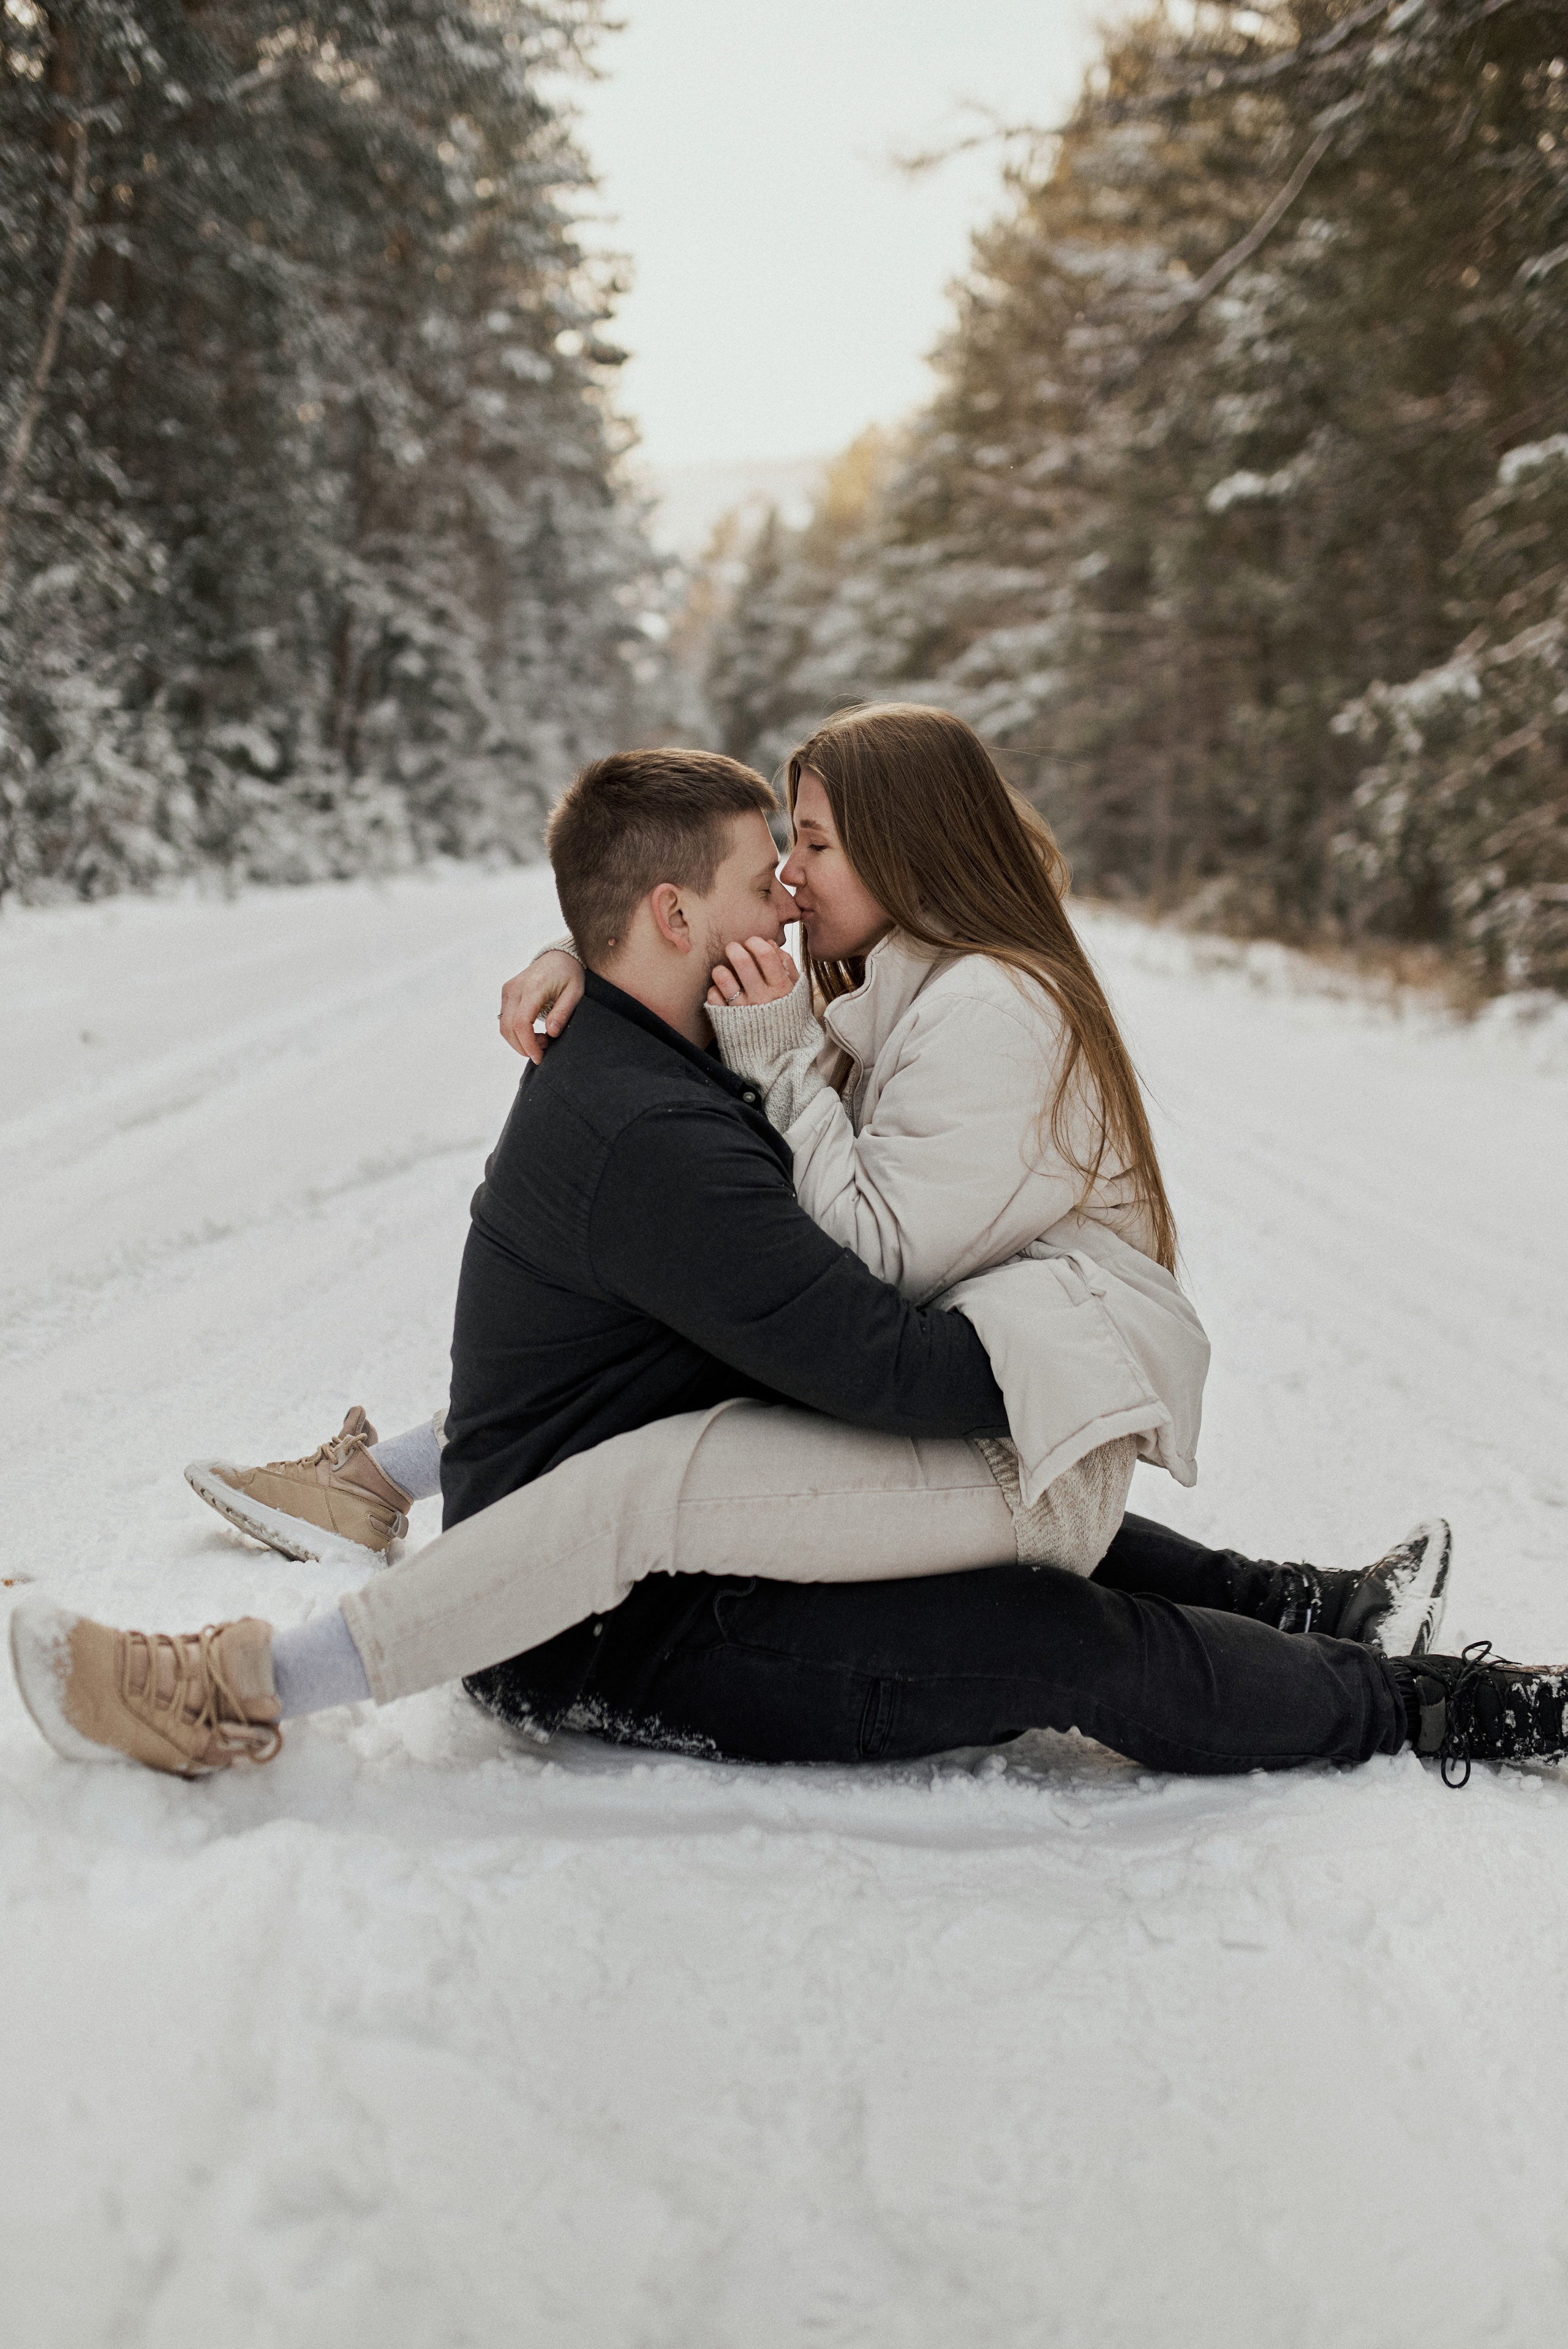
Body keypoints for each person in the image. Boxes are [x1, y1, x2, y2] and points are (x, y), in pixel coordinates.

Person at [12, 724, 1562, 1790]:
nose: (795, 890)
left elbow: (827, 1049)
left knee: (998, 1516)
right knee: (1046, 1619)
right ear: (682, 917)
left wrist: (596, 953)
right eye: (776, 866)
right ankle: (1433, 1708)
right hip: (601, 1626)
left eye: (807, 854)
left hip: (660, 1567)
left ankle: (1321, 1618)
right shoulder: (655, 1118)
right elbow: (879, 1355)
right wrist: (1047, 1354)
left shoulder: (684, 1046)